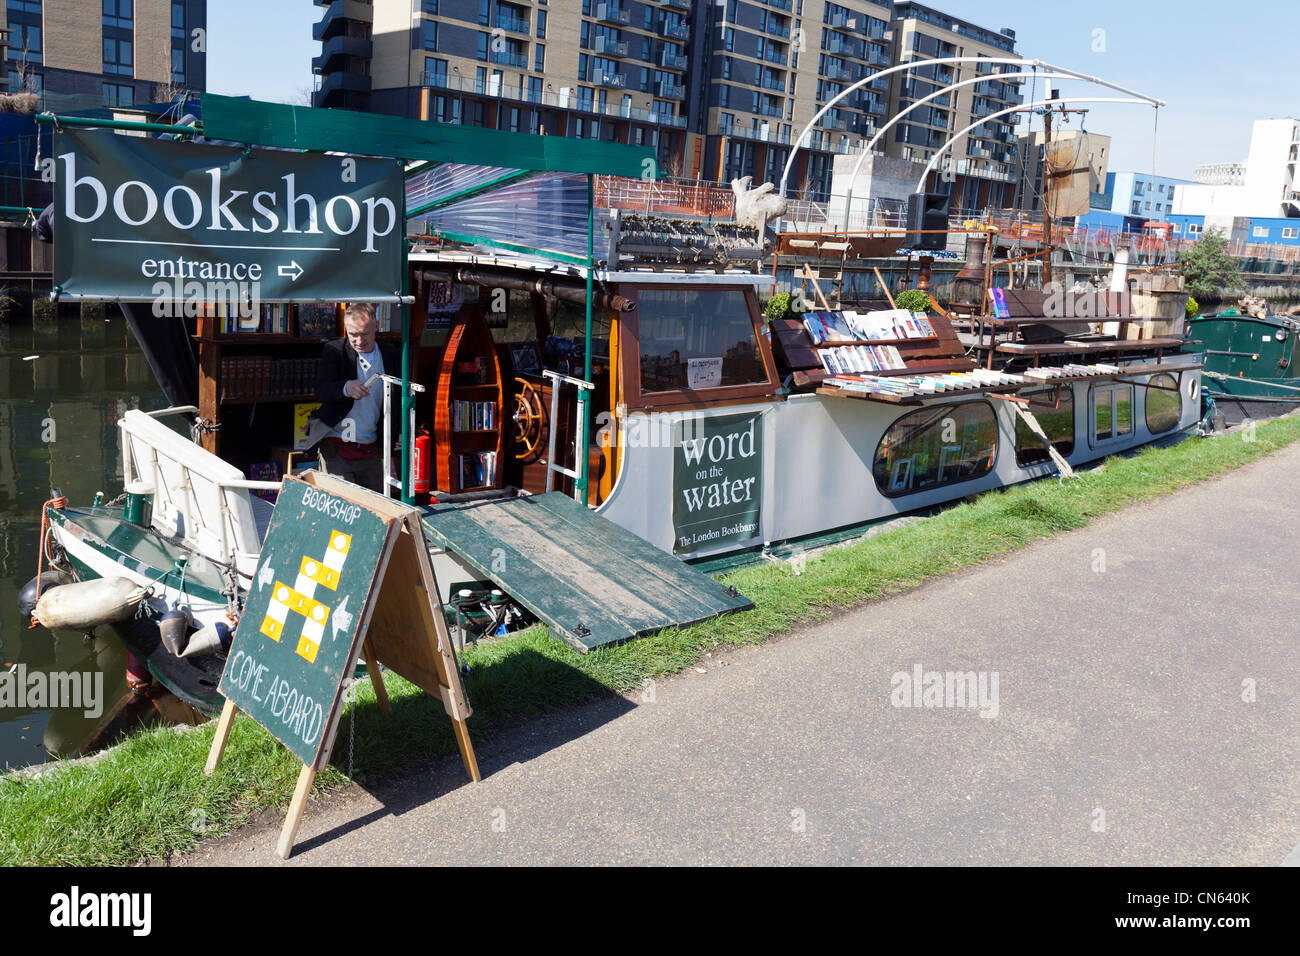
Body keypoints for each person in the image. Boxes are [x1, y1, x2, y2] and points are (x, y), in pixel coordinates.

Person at [311, 303, 402, 492]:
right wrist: (345, 387)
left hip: (371, 445)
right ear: (346, 330)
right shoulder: (335, 351)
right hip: (336, 443)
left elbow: (399, 396)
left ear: (376, 327)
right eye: (353, 335)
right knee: (341, 504)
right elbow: (321, 390)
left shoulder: (391, 355)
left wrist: (399, 432)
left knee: (376, 505)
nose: (359, 340)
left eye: (364, 333)